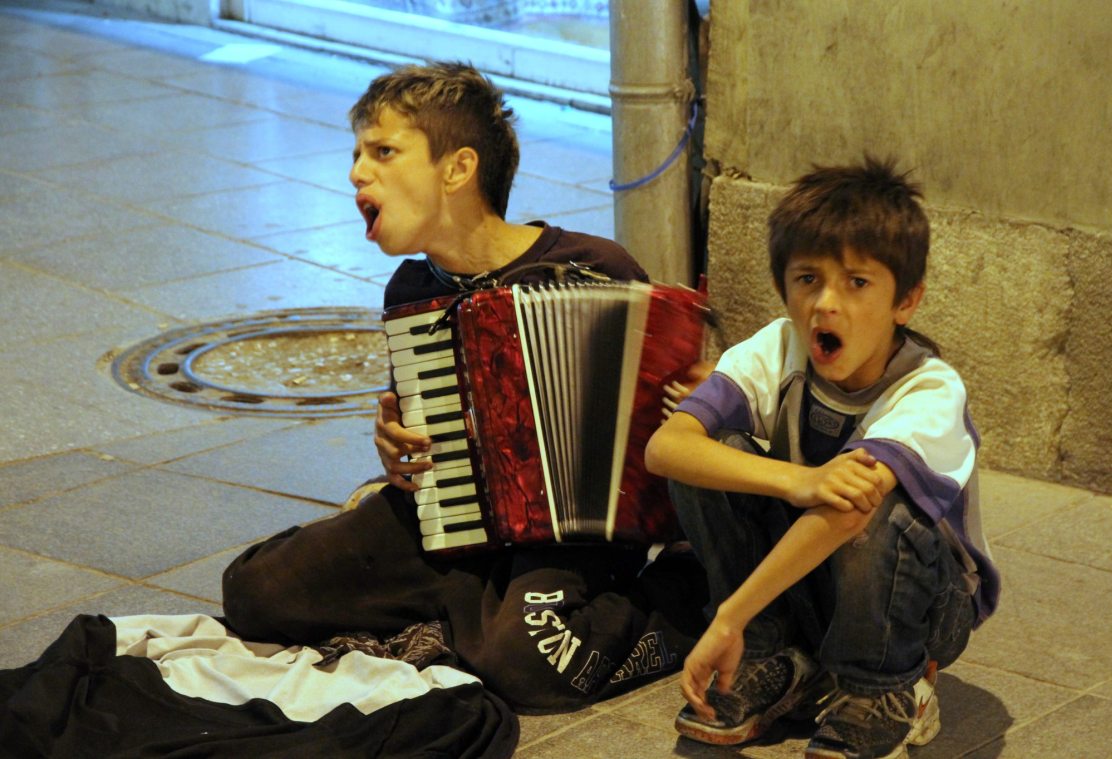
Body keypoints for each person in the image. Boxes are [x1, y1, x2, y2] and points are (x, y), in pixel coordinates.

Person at [222, 61, 707, 712]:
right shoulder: (412, 293)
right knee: (254, 591)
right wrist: (395, 451)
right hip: (451, 519)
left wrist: (691, 402)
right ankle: (472, 614)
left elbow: (658, 432)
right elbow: (422, 441)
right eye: (357, 152)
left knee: (531, 669)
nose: (356, 172)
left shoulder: (596, 269)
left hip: (576, 533)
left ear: (458, 170)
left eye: (384, 152)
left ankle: (681, 593)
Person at [644, 156, 1000, 757]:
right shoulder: (777, 348)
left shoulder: (930, 388)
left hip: (926, 604)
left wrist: (725, 616)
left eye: (857, 283)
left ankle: (884, 685)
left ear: (905, 301)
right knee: (715, 457)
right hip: (810, 572)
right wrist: (796, 481)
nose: (825, 304)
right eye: (807, 280)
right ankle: (773, 654)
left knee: (871, 498)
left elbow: (847, 511)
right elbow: (667, 448)